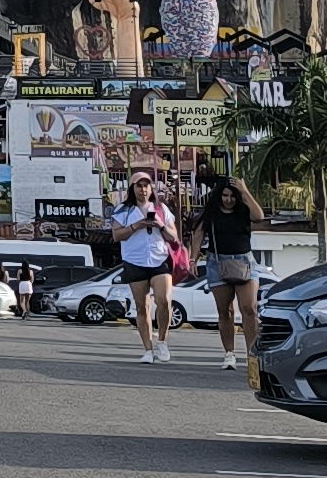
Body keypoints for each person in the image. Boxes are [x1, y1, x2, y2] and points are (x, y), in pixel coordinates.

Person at [194, 158, 264, 377]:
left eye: (232, 195)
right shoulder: (211, 212)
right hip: (217, 262)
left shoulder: (243, 209)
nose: (229, 200)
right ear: (219, 196)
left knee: (249, 309)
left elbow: (259, 217)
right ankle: (229, 353)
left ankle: (252, 354)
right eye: (225, 195)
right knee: (225, 311)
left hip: (244, 260)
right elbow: (198, 234)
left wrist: (244, 190)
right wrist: (192, 259)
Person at [107, 168, 178, 347]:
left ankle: (162, 341)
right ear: (132, 188)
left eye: (146, 186)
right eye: (139, 186)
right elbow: (116, 236)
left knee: (163, 300)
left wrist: (160, 225)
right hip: (135, 261)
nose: (143, 190)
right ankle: (148, 347)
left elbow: (174, 237)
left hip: (159, 259)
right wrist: (136, 225)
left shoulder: (161, 209)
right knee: (142, 306)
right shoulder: (123, 211)